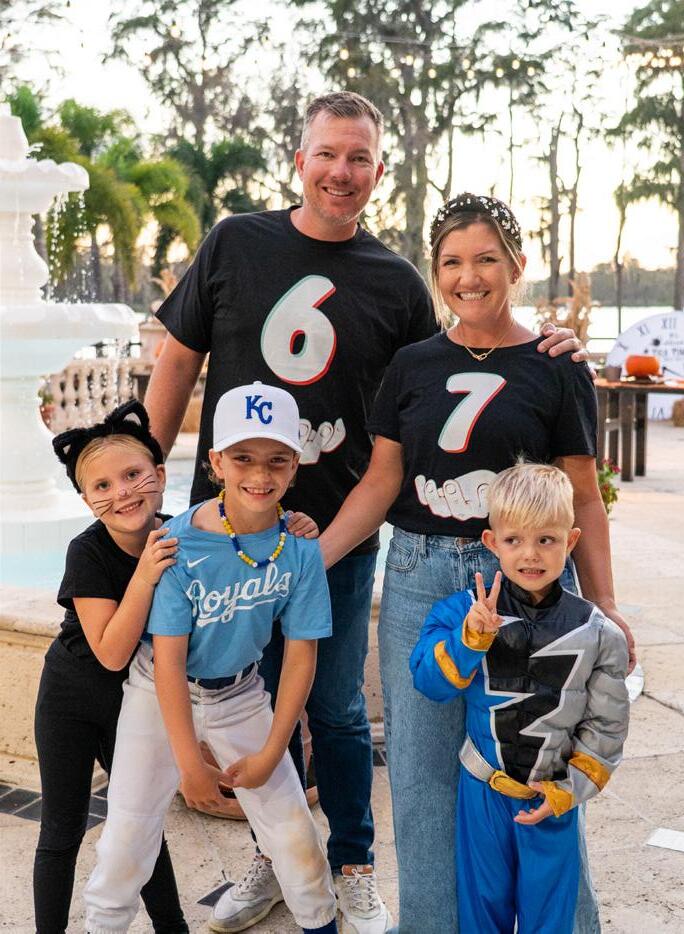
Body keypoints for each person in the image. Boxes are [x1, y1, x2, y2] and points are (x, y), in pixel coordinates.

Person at [143, 91, 586, 934]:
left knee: (338, 708)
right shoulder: (235, 241)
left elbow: (457, 357)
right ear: (299, 160)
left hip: (334, 536)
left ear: (378, 173)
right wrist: (147, 485)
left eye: (358, 158)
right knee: (242, 700)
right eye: (327, 154)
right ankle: (277, 856)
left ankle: (352, 864)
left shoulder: (396, 281)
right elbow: (177, 361)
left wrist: (546, 347)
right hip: (227, 535)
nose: (340, 172)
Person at [318, 192, 636, 933]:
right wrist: (314, 560)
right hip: (421, 575)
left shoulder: (558, 367)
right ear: (435, 272)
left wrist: (604, 602)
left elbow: (583, 497)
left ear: (517, 266)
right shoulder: (411, 366)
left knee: (541, 765)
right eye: (452, 262)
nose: (469, 276)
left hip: (531, 582)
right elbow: (381, 483)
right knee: (424, 778)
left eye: (487, 259)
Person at [82, 382, 338, 934]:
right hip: (157, 692)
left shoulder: (298, 548)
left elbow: (301, 656)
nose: (260, 474)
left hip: (241, 694)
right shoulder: (178, 543)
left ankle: (321, 923)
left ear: (295, 466)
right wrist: (190, 766)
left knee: (295, 834)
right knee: (126, 838)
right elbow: (168, 662)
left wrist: (274, 750)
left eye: (277, 459)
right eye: (242, 457)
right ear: (216, 462)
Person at [410, 462, 630, 934]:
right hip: (482, 794)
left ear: (571, 541)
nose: (531, 554)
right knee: (480, 914)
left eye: (546, 539)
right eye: (514, 540)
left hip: (552, 796)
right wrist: (469, 640)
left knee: (550, 919)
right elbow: (428, 683)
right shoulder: (460, 613)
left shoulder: (598, 634)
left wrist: (570, 789)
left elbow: (607, 727)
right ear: (492, 543)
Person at [34, 401, 188, 934]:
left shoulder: (185, 535)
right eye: (101, 486)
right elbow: (110, 652)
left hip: (137, 705)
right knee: (62, 828)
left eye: (132, 475)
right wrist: (144, 574)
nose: (121, 492)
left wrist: (292, 524)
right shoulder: (88, 552)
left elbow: (247, 531)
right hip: (72, 698)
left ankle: (174, 927)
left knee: (139, 827)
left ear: (160, 475)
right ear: (86, 499)